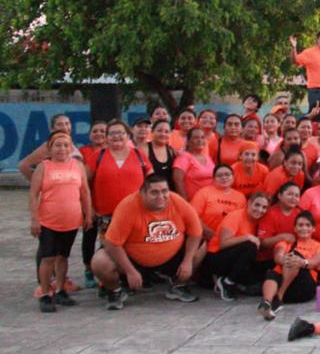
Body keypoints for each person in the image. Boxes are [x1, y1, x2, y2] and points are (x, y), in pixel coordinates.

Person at [90, 174, 203, 309]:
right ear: (142, 193)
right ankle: (115, 290)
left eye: (164, 191)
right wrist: (130, 270)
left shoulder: (178, 201)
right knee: (100, 261)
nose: (161, 196)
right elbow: (111, 243)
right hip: (134, 259)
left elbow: (196, 232)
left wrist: (188, 261)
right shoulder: (128, 206)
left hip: (171, 256)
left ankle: (179, 285)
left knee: (202, 246)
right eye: (154, 192)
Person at [84, 120, 151, 289]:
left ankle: (131, 278)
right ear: (106, 137)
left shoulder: (139, 155)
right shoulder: (98, 156)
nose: (116, 136)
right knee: (110, 250)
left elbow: (151, 181)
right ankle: (108, 282)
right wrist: (89, 208)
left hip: (136, 214)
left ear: (128, 135)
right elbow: (84, 184)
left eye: (120, 132)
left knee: (133, 248)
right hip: (107, 216)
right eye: (112, 133)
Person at [29, 132, 92, 311]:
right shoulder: (44, 166)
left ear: (71, 148)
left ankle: (60, 290)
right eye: (58, 145)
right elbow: (33, 194)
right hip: (48, 221)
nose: (62, 149)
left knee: (63, 256)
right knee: (48, 257)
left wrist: (88, 214)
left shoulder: (77, 166)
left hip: (71, 221)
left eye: (66, 145)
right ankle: (45, 294)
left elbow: (85, 192)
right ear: (50, 148)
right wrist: (35, 219)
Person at [258, 210, 320, 318]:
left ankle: (279, 296)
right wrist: (286, 260)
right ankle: (267, 302)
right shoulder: (285, 243)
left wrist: (302, 262)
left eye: (308, 225)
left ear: (313, 229)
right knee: (272, 272)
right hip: (285, 286)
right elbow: (278, 257)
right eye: (300, 225)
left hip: (303, 288)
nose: (304, 228)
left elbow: (317, 261)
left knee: (295, 257)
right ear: (295, 228)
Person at [204, 192, 267, 301]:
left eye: (264, 207)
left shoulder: (255, 221)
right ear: (249, 203)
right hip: (216, 257)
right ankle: (227, 282)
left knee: (258, 278)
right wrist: (247, 237)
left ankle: (231, 281)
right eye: (257, 205)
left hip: (234, 258)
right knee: (250, 246)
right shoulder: (235, 216)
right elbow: (223, 243)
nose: (260, 209)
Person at [190, 164, 247, 242]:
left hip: (230, 239)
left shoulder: (241, 197)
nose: (224, 177)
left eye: (227, 174)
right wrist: (210, 233)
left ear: (233, 177)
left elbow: (242, 221)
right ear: (213, 179)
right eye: (219, 175)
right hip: (206, 237)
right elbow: (193, 217)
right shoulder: (203, 193)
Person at [290, 30, 320, 111]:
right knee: (314, 114)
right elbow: (295, 61)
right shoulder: (309, 52)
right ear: (317, 40)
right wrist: (293, 48)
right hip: (316, 90)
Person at [172, 127, 215, 200]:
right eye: (196, 138)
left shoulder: (207, 157)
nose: (200, 140)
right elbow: (177, 181)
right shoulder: (184, 157)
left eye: (202, 137)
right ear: (188, 141)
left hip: (210, 200)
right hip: (193, 201)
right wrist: (185, 201)